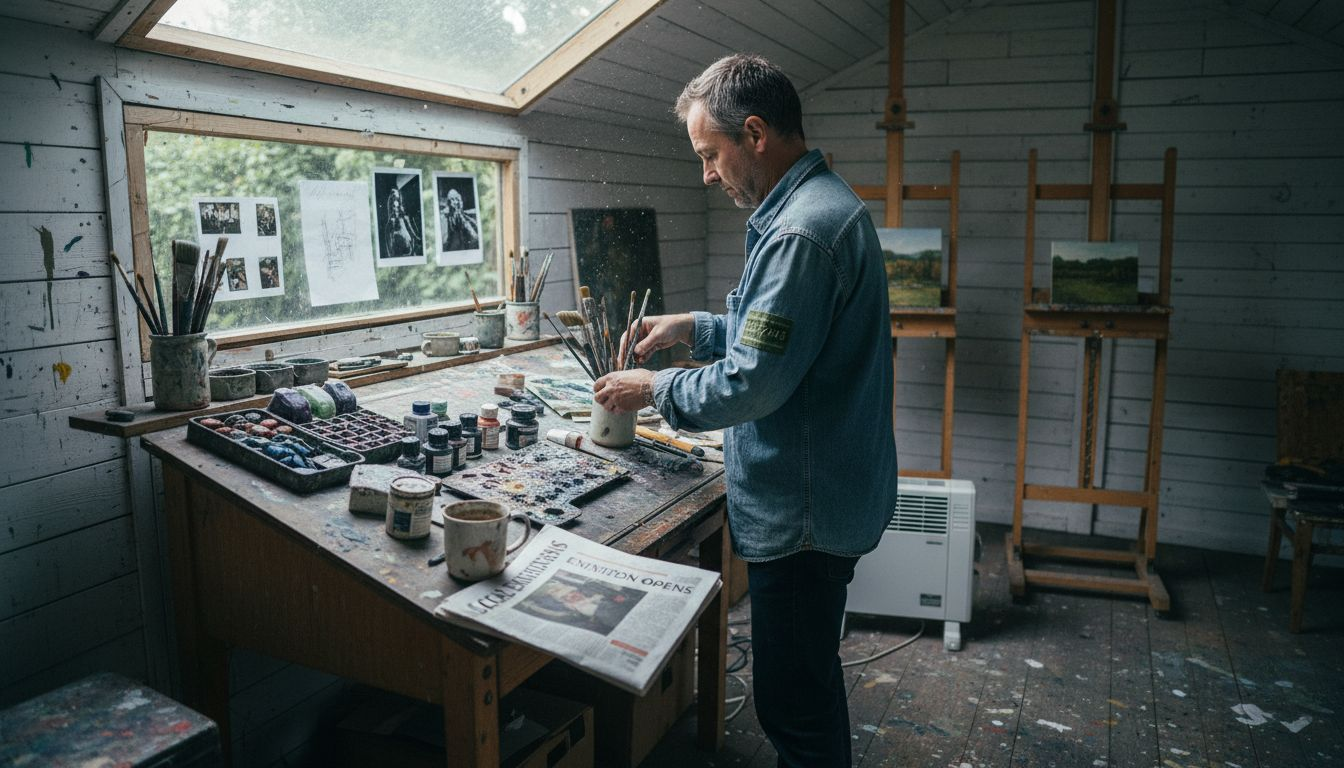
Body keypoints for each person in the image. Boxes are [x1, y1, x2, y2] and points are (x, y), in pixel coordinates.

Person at [591, 54, 898, 768]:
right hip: (825, 496)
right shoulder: (815, 207)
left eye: (710, 154)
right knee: (807, 685)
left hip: (805, 513)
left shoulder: (800, 234)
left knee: (791, 702)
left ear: (754, 133)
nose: (706, 173)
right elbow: (785, 336)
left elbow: (753, 385)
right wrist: (696, 328)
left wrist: (652, 390)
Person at [440, 187, 480, 251]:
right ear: (449, 202)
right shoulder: (444, 216)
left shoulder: (463, 215)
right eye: (453, 200)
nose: (455, 202)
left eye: (457, 199)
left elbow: (466, 225)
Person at [384, 187, 420, 259]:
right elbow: (390, 248)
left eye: (397, 199)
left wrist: (416, 238)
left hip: (410, 251)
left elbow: (413, 233)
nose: (396, 204)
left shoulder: (405, 218)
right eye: (393, 200)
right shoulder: (390, 224)